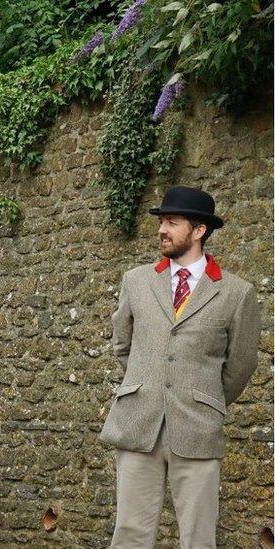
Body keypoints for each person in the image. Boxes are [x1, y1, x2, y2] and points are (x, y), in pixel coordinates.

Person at [100, 186, 260, 547]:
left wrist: (205, 399)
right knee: (129, 535)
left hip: (197, 429)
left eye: (172, 222)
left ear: (199, 230)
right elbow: (122, 345)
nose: (162, 229)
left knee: (199, 538)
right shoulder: (136, 281)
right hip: (138, 424)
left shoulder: (237, 293)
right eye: (161, 221)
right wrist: (146, 382)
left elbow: (241, 365)